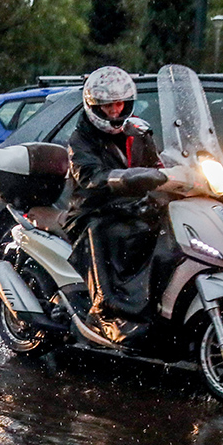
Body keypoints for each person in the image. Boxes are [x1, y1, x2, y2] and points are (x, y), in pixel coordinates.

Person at [59, 66, 167, 342]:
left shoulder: (139, 132)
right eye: (108, 106)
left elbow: (157, 164)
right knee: (102, 232)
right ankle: (104, 312)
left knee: (165, 227)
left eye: (120, 104)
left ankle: (157, 305)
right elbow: (89, 176)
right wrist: (125, 178)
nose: (116, 111)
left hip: (130, 206)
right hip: (91, 210)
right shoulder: (80, 138)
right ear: (95, 106)